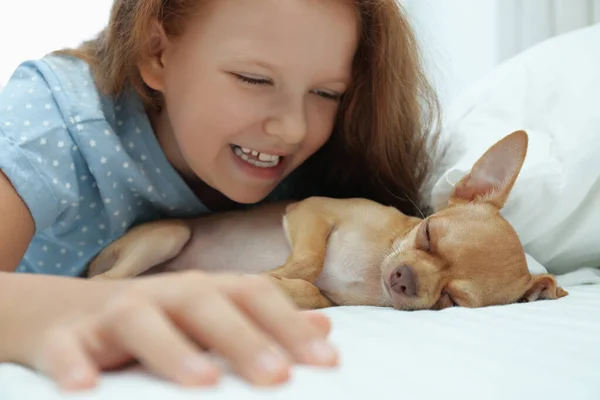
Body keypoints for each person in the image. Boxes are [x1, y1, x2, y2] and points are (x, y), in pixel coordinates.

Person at [0, 0, 440, 392]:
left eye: (326, 93)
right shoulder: (53, 119)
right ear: (157, 52)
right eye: (253, 79)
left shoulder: (327, 162)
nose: (294, 130)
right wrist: (93, 305)